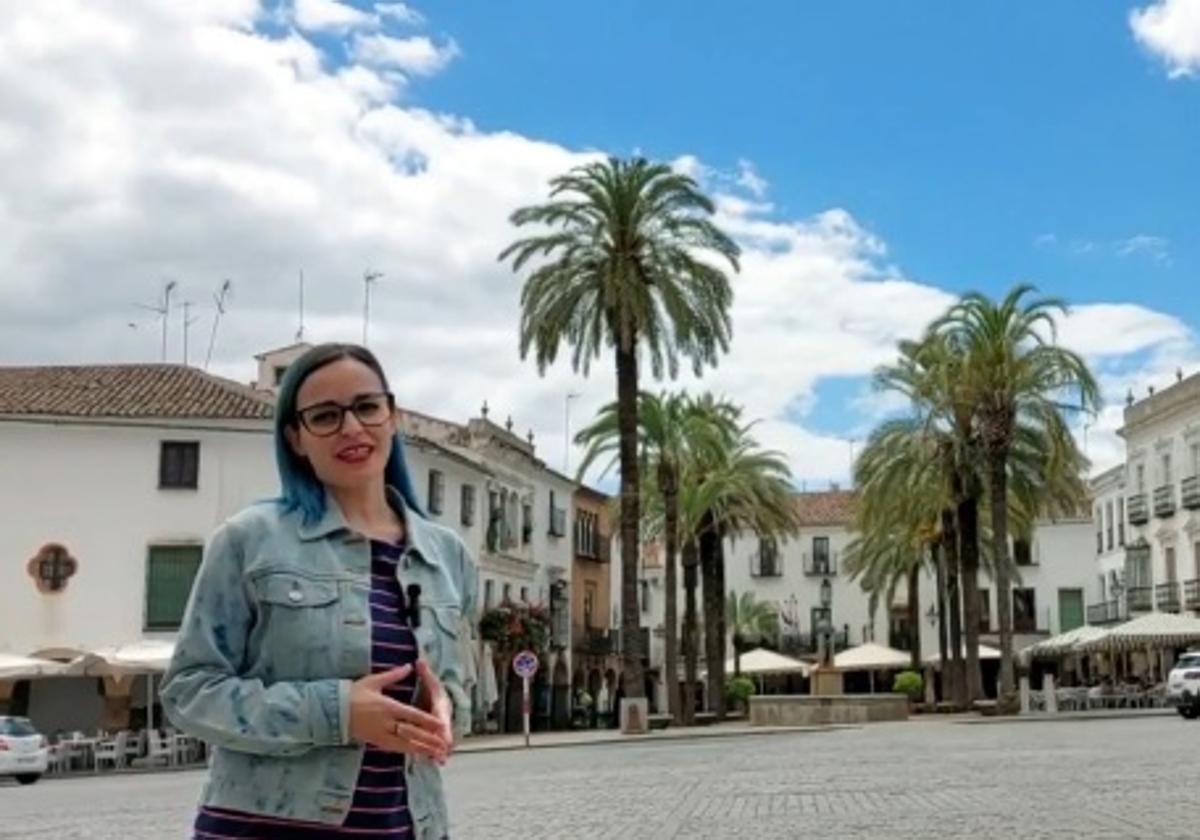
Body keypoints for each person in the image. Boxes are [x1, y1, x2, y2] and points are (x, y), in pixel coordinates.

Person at [161, 343, 476, 840]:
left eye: (367, 407)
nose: (352, 428)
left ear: (392, 416)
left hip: (408, 825)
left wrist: (446, 711)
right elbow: (189, 692)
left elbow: (459, 689)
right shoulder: (249, 541)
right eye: (326, 416)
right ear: (296, 438)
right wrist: (338, 712)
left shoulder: (448, 556)